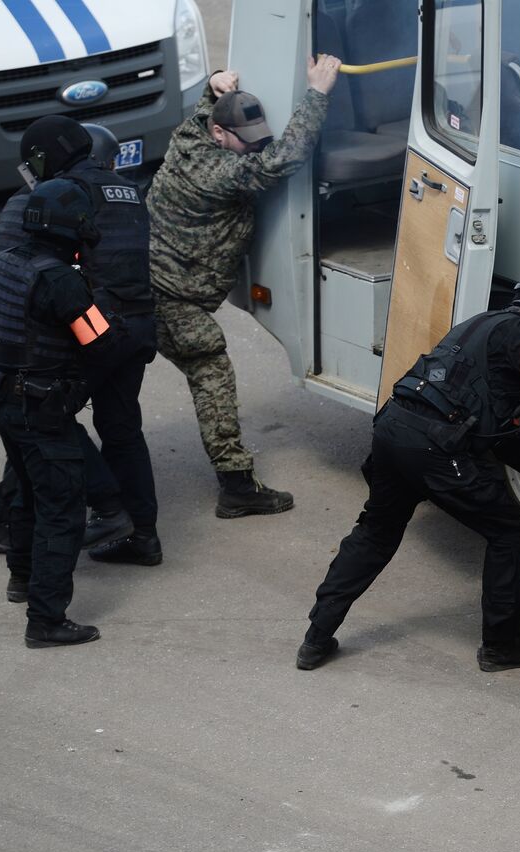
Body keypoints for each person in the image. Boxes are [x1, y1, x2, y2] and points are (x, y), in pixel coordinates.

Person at [294, 267, 520, 671]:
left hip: (394, 430)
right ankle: (501, 646)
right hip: (434, 447)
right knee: (510, 530)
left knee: (376, 534)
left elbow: (494, 432)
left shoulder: (483, 325)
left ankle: (316, 638)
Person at [0, 116, 162, 568]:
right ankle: (143, 536)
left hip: (83, 330)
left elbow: (12, 268)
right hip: (134, 331)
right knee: (122, 429)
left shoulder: (49, 197)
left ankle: (9, 523)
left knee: (42, 423)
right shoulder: (127, 190)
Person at [147, 57, 339, 517]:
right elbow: (283, 160)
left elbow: (203, 109)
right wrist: (317, 93)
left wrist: (214, 83)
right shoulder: (221, 173)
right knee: (210, 369)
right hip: (169, 298)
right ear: (219, 135)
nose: (252, 150)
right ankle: (236, 486)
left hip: (148, 286)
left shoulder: (190, 134)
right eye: (244, 141)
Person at [0, 178, 123, 647]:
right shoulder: (60, 280)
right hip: (41, 409)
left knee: (26, 493)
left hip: (2, 403)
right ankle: (46, 620)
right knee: (62, 509)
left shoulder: (1, 263)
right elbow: (100, 341)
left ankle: (21, 578)